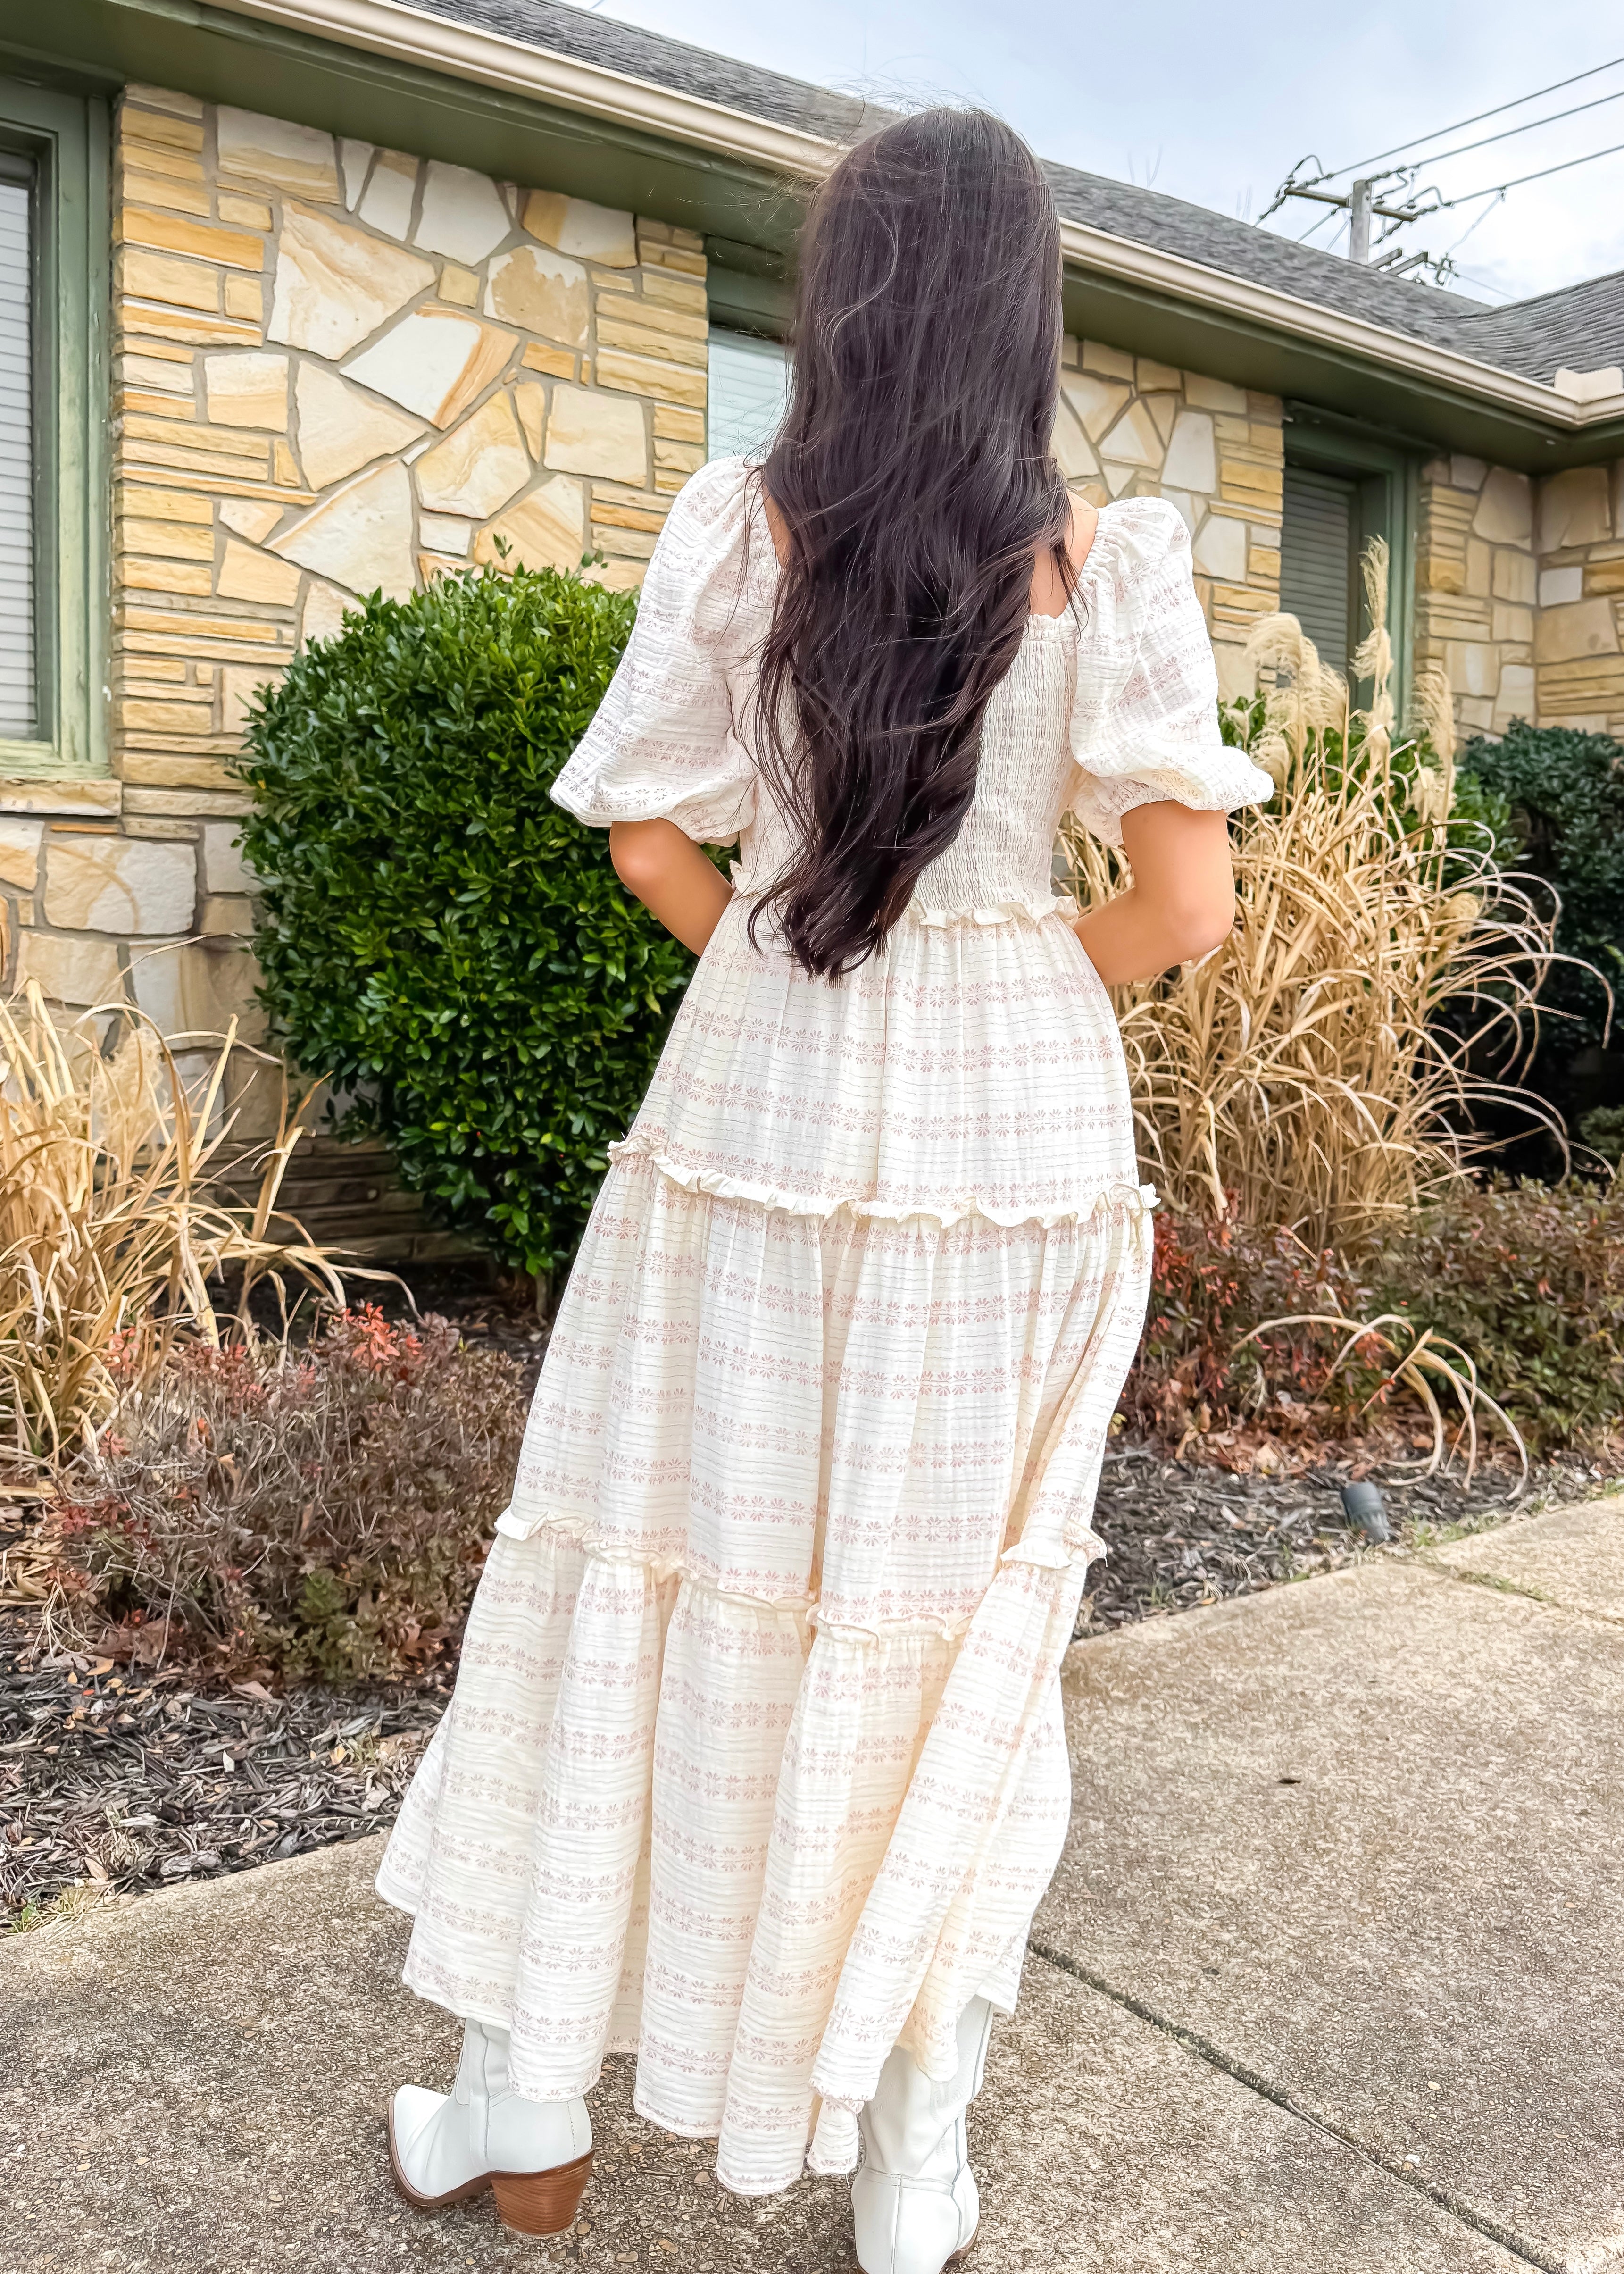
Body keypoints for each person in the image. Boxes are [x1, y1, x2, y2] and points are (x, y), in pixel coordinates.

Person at [376, 105, 1271, 2274]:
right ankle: (904, 2157)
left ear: (842, 297)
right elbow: (1188, 904)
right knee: (948, 1624)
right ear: (1024, 305)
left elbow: (649, 839)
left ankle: (523, 2102)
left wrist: (796, 974)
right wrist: (1000, 1000)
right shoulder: (1105, 559)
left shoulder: (740, 524)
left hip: (754, 1108)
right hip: (1018, 1158)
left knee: (650, 1541)